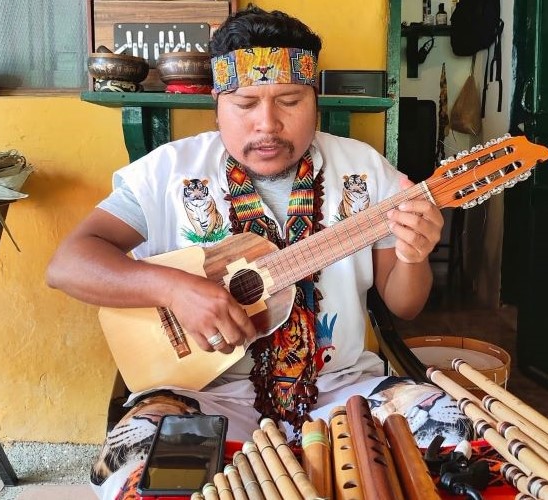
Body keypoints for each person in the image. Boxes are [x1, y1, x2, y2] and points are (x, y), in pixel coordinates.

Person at [47, 6, 473, 498]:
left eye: (289, 100)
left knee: (457, 439)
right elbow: (68, 265)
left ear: (316, 99)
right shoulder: (167, 173)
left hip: (340, 391)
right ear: (216, 104)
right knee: (138, 472)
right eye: (245, 103)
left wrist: (415, 255)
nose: (267, 125)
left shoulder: (366, 171)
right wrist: (176, 289)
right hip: (200, 395)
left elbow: (405, 305)